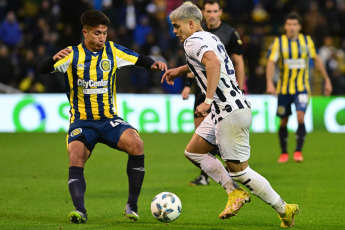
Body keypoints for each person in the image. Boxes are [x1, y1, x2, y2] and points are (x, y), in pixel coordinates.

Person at [162, 2, 299, 227]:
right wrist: (180, 70)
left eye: (177, 26)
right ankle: (234, 193)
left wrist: (206, 101)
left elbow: (214, 64)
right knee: (194, 152)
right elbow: (208, 61)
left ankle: (284, 208)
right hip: (228, 108)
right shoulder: (210, 37)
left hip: (229, 111)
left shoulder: (191, 41)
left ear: (190, 23)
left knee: (240, 172)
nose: (175, 31)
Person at [39, 10, 167, 224]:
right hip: (82, 122)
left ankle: (131, 206)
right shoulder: (71, 54)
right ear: (85, 32)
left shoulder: (112, 50)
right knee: (76, 157)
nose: (102, 38)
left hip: (109, 120)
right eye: (97, 33)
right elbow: (43, 70)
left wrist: (154, 64)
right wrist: (52, 59)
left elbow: (138, 59)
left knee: (137, 144)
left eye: (105, 33)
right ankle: (80, 211)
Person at [181, 0, 245, 186]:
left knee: (218, 138)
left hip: (221, 94)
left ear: (220, 12)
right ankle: (204, 176)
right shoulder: (194, 35)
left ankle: (231, 173)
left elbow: (237, 61)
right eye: (208, 11)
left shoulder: (229, 33)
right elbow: (196, 65)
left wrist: (239, 86)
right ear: (203, 13)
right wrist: (186, 84)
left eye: (215, 11)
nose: (211, 15)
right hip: (202, 92)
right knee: (200, 135)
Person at [266, 12, 332, 163]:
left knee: (300, 116)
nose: (292, 27)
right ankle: (284, 152)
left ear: (300, 27)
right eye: (289, 24)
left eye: (295, 24)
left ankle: (298, 151)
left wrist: (327, 80)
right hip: (284, 89)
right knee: (284, 121)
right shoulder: (279, 42)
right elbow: (271, 62)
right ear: (285, 26)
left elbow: (316, 60)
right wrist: (270, 82)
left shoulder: (307, 41)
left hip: (302, 88)